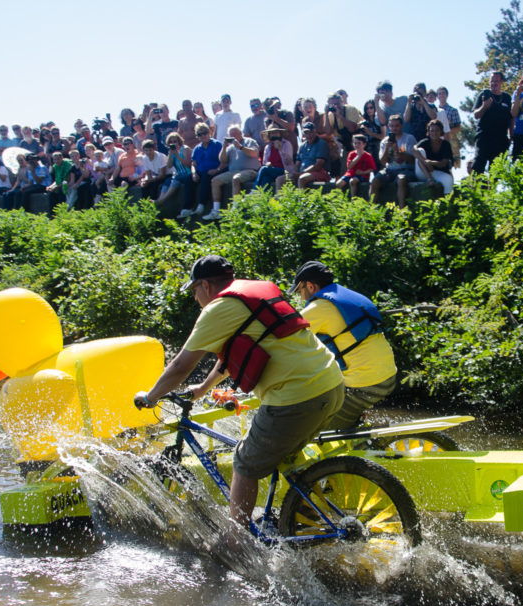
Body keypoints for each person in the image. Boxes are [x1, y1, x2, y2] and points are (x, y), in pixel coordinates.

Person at [133, 255, 344, 527]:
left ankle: (236, 541)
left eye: (194, 290)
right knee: (286, 459)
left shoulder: (218, 308)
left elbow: (180, 365)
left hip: (296, 395)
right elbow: (235, 357)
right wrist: (201, 389)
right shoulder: (251, 296)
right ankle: (308, 517)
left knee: (244, 463)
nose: (195, 297)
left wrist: (150, 397)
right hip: (331, 384)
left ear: (205, 286)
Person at [290, 260, 396, 431]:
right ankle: (359, 435)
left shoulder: (319, 308)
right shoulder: (347, 296)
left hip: (366, 383)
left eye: (299, 290)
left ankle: (359, 451)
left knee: (319, 431)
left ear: (310, 286)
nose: (301, 297)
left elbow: (286, 340)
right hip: (387, 373)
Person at [204, 125, 260, 219]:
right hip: (233, 171)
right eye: (231, 135)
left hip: (250, 170)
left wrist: (240, 147)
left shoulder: (249, 141)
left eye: (235, 134)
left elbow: (254, 153)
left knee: (236, 178)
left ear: (240, 133)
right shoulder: (230, 147)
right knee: (215, 181)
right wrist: (224, 146)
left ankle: (235, 208)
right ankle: (216, 210)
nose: (233, 136)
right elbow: (222, 160)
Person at [370, 114, 417, 207]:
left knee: (401, 179)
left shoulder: (409, 138)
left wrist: (398, 151)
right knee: (375, 180)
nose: (394, 128)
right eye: (392, 126)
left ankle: (401, 210)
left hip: (406, 169)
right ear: (388, 126)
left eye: (397, 126)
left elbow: (413, 159)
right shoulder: (384, 141)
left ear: (401, 126)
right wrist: (387, 149)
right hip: (390, 170)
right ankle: (371, 209)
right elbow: (383, 162)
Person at [470, 71, 512, 173]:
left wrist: (511, 135)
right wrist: (484, 107)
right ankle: (474, 188)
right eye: (492, 81)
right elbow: (476, 115)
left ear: (501, 82)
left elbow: (511, 118)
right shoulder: (484, 95)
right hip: (484, 137)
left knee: (496, 170)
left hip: (500, 139)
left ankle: (490, 189)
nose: (494, 84)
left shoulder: (507, 98)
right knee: (478, 166)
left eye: (496, 81)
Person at [415, 119, 455, 193]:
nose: (434, 133)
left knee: (449, 180)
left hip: (438, 172)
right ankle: (430, 179)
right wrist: (425, 161)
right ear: (429, 132)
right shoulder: (425, 142)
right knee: (419, 151)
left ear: (441, 131)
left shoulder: (446, 144)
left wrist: (431, 163)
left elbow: (443, 163)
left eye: (437, 130)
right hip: (424, 172)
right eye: (432, 130)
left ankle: (447, 202)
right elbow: (413, 150)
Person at [190, 123, 222, 216]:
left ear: (209, 132)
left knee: (206, 177)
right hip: (200, 171)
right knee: (187, 179)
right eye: (200, 134)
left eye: (205, 133)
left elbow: (224, 161)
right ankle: (187, 208)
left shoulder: (217, 144)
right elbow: (193, 163)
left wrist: (217, 170)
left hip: (214, 171)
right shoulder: (197, 148)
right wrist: (194, 173)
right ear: (197, 136)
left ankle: (201, 205)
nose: (203, 136)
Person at [252, 127, 294, 194]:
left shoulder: (286, 144)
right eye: (272, 133)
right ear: (269, 135)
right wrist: (267, 164)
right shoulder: (268, 147)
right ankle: (263, 199)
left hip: (284, 171)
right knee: (265, 178)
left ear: (280, 134)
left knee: (263, 169)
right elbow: (264, 163)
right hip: (271, 171)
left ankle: (254, 191)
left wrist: (280, 149)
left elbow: (289, 162)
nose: (274, 134)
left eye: (276, 132)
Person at [336, 134, 376, 198]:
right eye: (355, 143)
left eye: (359, 143)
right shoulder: (351, 154)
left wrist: (363, 172)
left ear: (364, 144)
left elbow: (372, 168)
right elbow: (349, 167)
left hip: (362, 176)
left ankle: (353, 199)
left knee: (353, 181)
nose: (356, 145)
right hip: (350, 174)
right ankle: (340, 200)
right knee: (338, 183)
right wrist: (358, 156)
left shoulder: (368, 156)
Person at [435, 86, 462, 169]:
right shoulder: (434, 110)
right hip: (436, 139)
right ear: (437, 96)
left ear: (447, 95)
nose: (441, 95)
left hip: (450, 139)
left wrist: (446, 130)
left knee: (450, 162)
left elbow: (458, 128)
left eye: (443, 93)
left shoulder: (452, 110)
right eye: (439, 94)